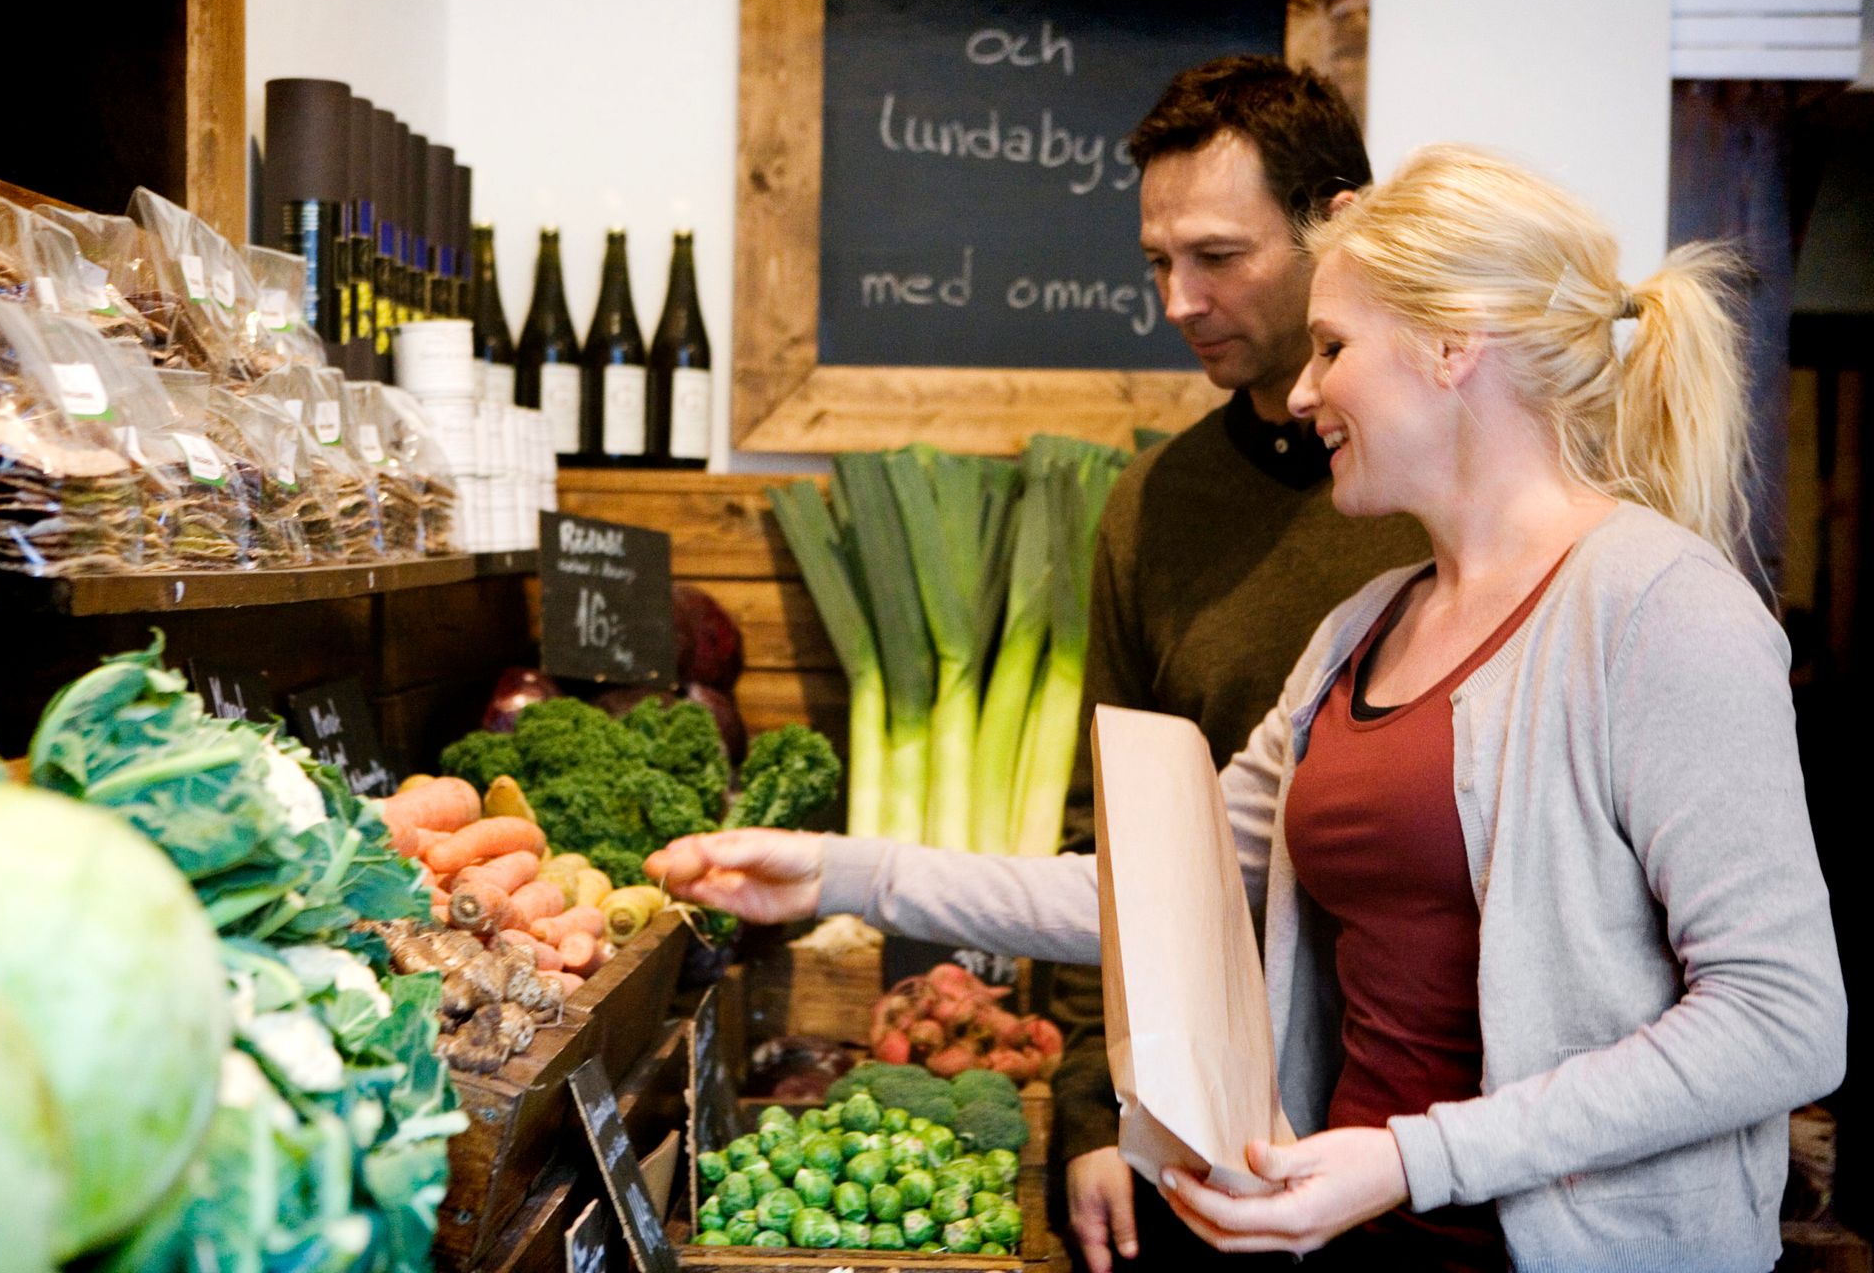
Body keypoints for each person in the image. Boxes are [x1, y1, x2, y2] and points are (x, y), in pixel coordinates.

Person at [650, 144, 1847, 1269]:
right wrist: (840, 872)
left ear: (1452, 345)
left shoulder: (1660, 612)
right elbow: (1158, 889)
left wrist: (1409, 1156)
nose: (1307, 389)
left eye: (1334, 347)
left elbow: (1783, 1016)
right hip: (1350, 1231)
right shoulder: (1364, 627)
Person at [1045, 56, 1430, 1272]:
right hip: (1204, 1137)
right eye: (1158, 261)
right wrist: (1088, 1104)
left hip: (1430, 1134)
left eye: (1218, 256)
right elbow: (1106, 830)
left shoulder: (1440, 491)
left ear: (1341, 225)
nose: (1177, 298)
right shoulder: (1154, 506)